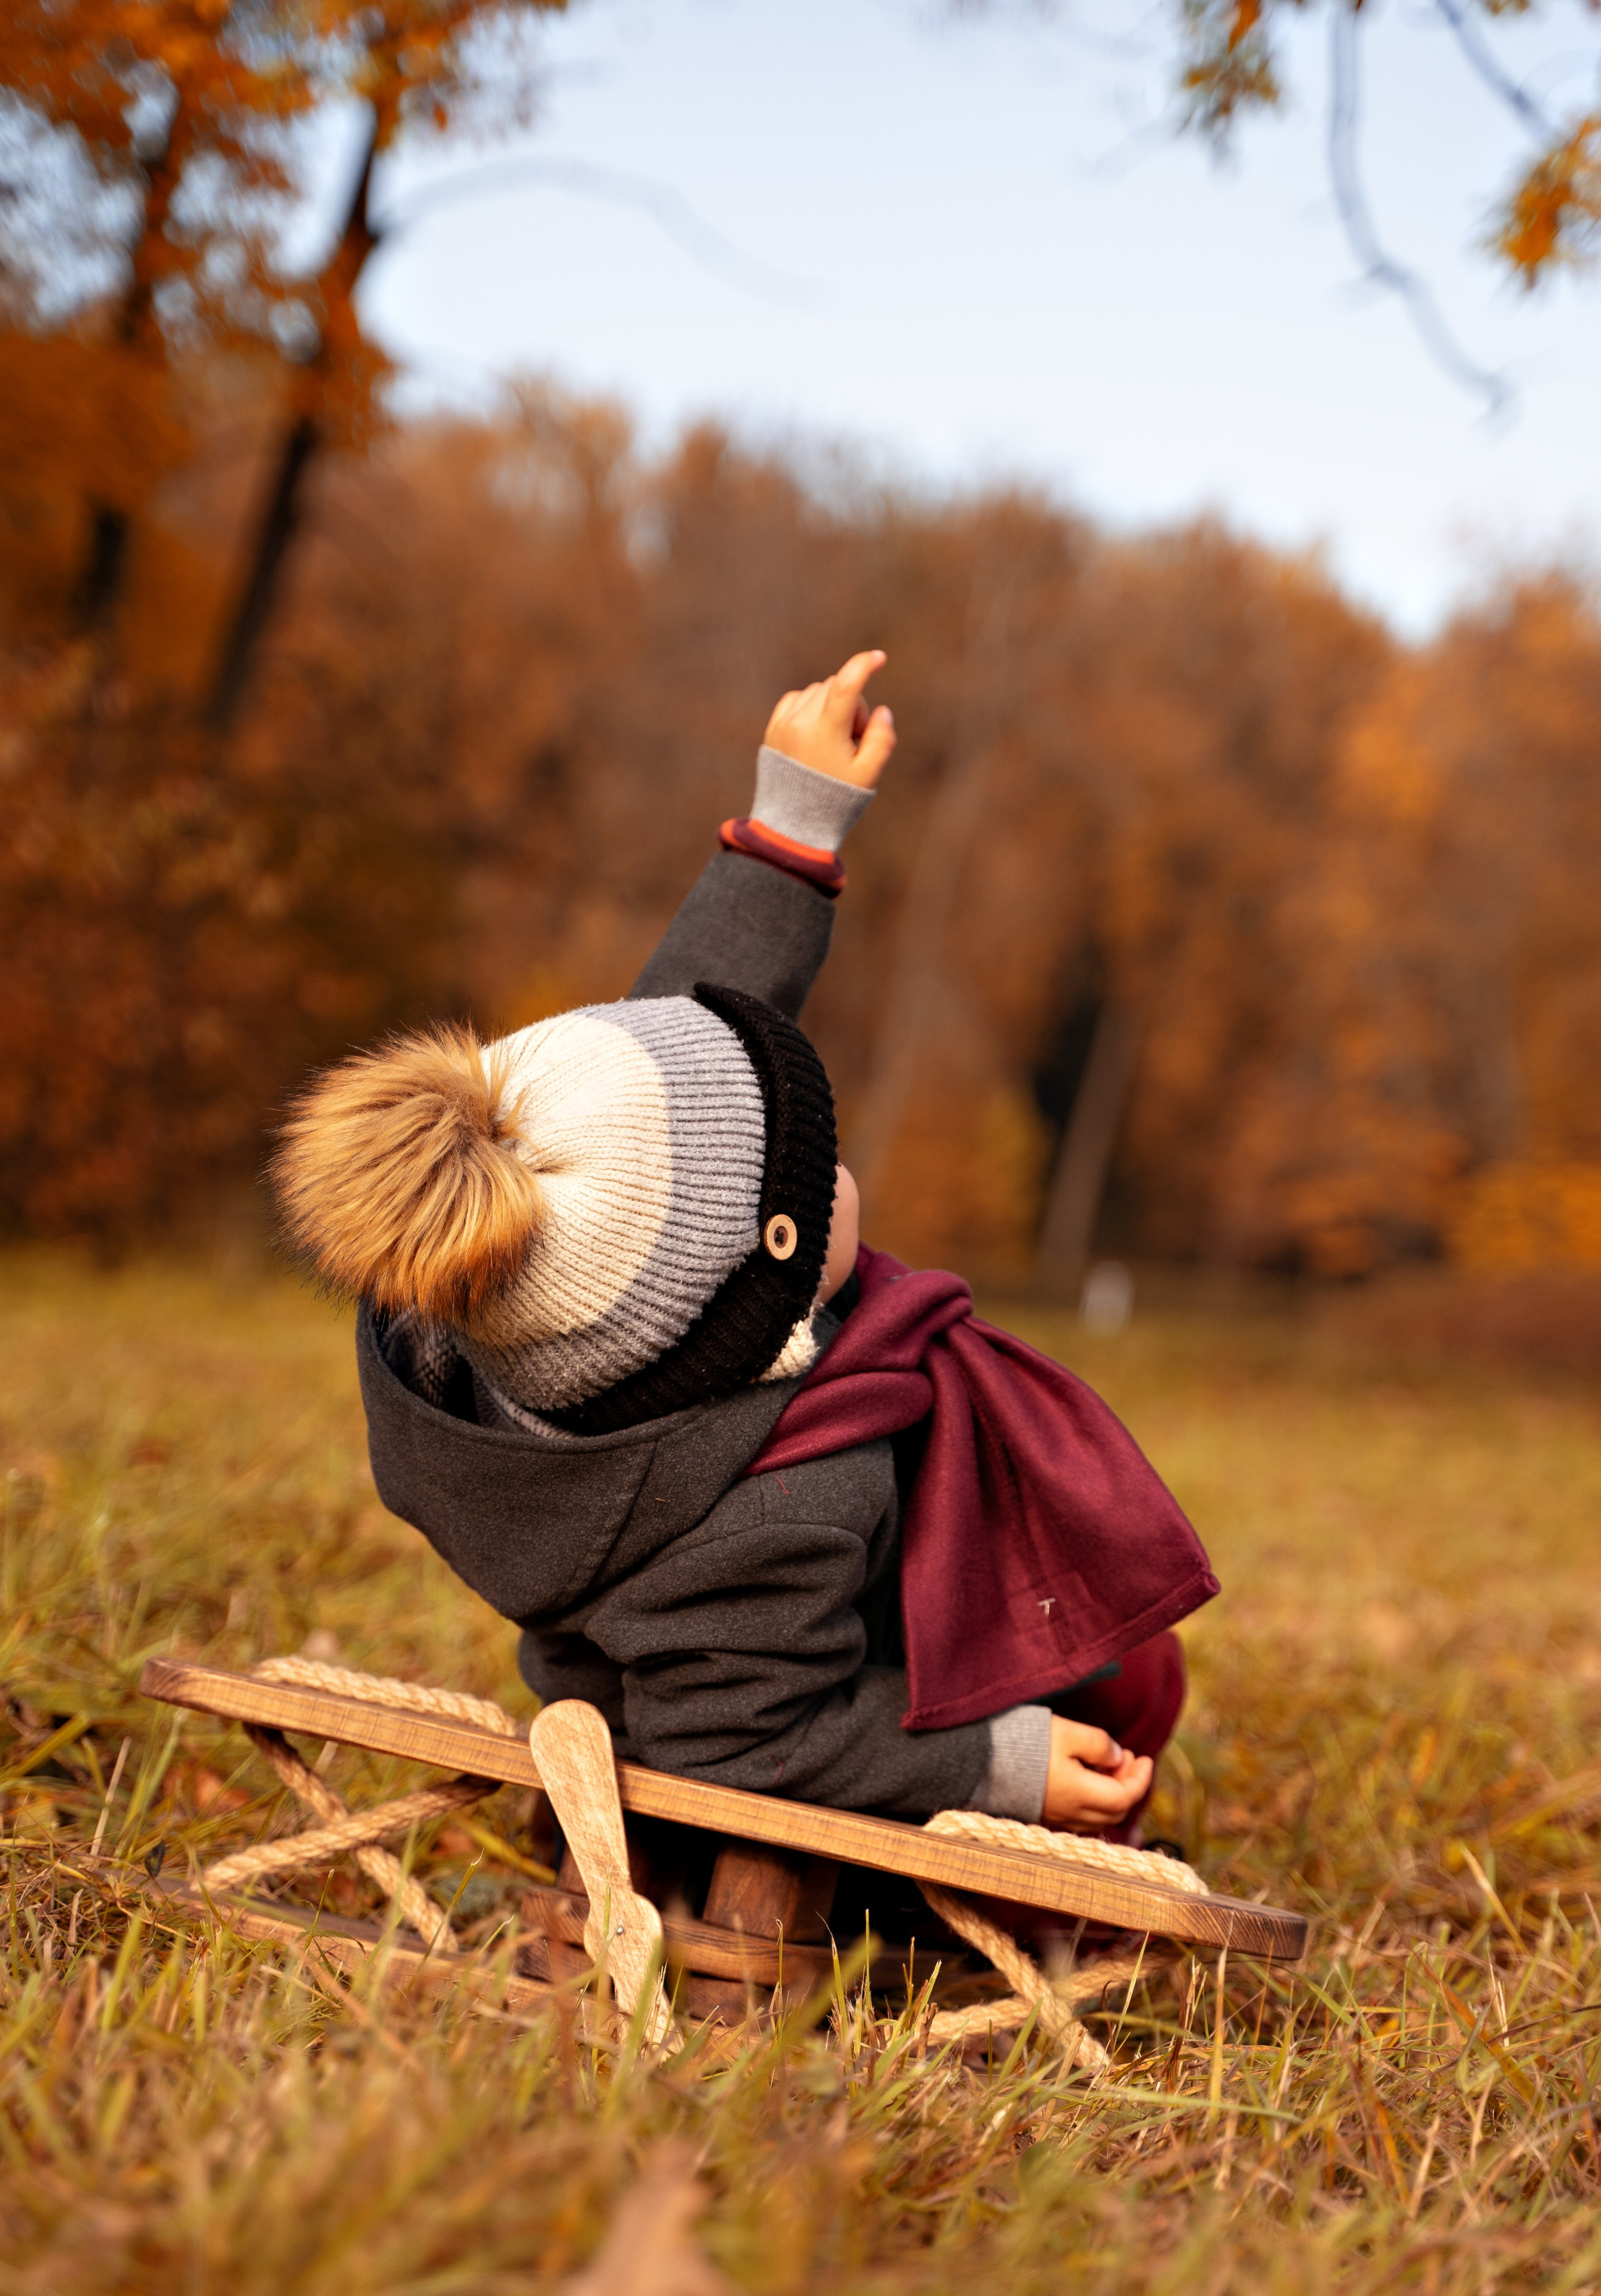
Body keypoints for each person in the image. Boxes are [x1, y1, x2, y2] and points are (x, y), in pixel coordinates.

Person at [273, 652, 1217, 1836]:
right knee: (1131, 1689)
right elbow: (740, 1740)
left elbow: (690, 1029)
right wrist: (994, 1765)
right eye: (816, 1174)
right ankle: (893, 1906)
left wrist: (792, 827)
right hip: (823, 1683)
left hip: (737, 1617)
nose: (844, 1171)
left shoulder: (526, 1282)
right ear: (760, 1307)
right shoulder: (772, 1512)